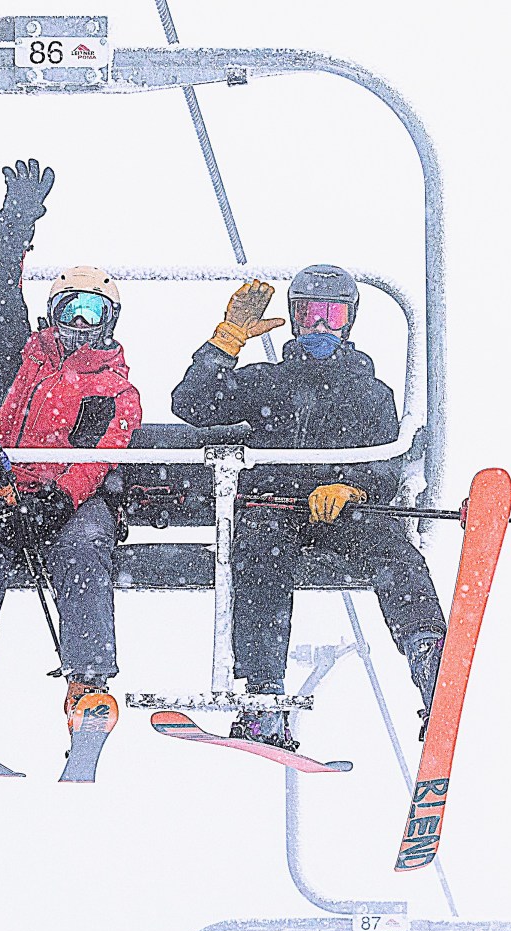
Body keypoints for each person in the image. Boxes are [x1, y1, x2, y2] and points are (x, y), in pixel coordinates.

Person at [169, 266, 447, 749]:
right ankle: (263, 698)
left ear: (349, 322)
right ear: (295, 320)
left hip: (342, 510)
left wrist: (353, 489)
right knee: (259, 551)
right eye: (309, 313)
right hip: (275, 505)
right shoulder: (264, 383)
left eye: (332, 314)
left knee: (394, 552)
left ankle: (429, 657)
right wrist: (228, 338)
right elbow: (191, 403)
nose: (320, 326)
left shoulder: (368, 391)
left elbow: (387, 460)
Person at [0, 158, 142, 746]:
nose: (78, 323)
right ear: (51, 313)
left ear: (110, 322)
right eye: (68, 308)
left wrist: (58, 499)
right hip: (5, 487)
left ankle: (88, 683)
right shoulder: (23, 358)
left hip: (75, 502)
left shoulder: (116, 389)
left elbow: (103, 458)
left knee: (84, 547)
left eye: (92, 312)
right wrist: (16, 220)